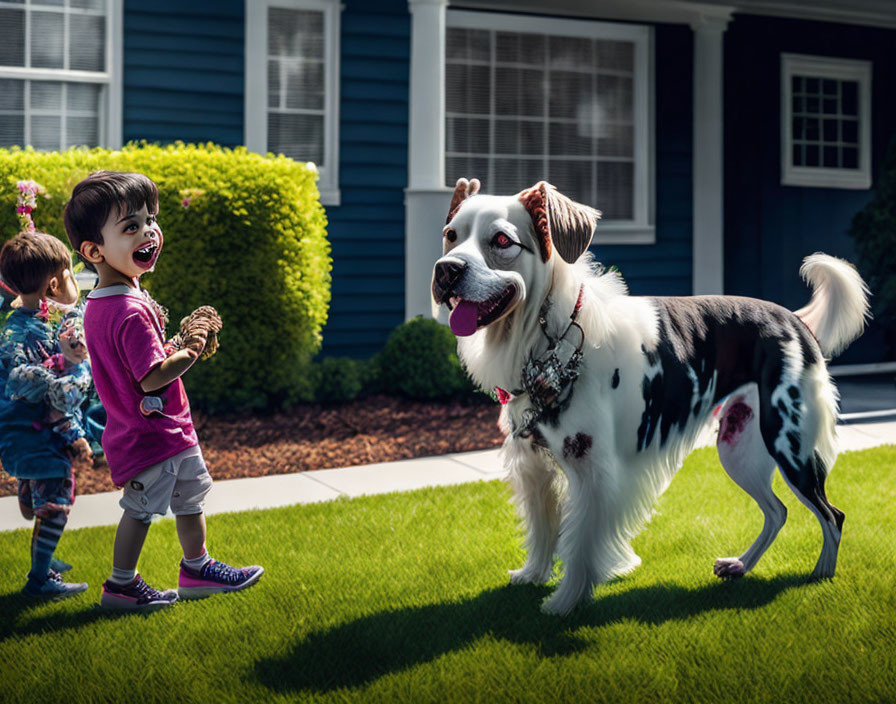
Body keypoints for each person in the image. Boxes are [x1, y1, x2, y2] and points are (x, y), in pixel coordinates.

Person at [64, 171, 263, 609]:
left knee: (190, 499)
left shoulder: (105, 301)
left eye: (150, 219)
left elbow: (136, 360)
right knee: (139, 511)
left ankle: (197, 569)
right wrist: (190, 349)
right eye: (130, 226)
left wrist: (173, 344)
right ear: (95, 250)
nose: (148, 231)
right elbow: (151, 375)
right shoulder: (128, 310)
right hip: (150, 436)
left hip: (164, 431)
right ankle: (121, 584)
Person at [0, 231, 93, 599]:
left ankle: (43, 547)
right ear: (54, 285)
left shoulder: (20, 324)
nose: (75, 285)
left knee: (43, 492)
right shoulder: (36, 338)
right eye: (72, 276)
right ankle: (40, 578)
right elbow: (57, 398)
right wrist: (76, 436)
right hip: (36, 437)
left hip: (17, 435)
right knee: (58, 502)